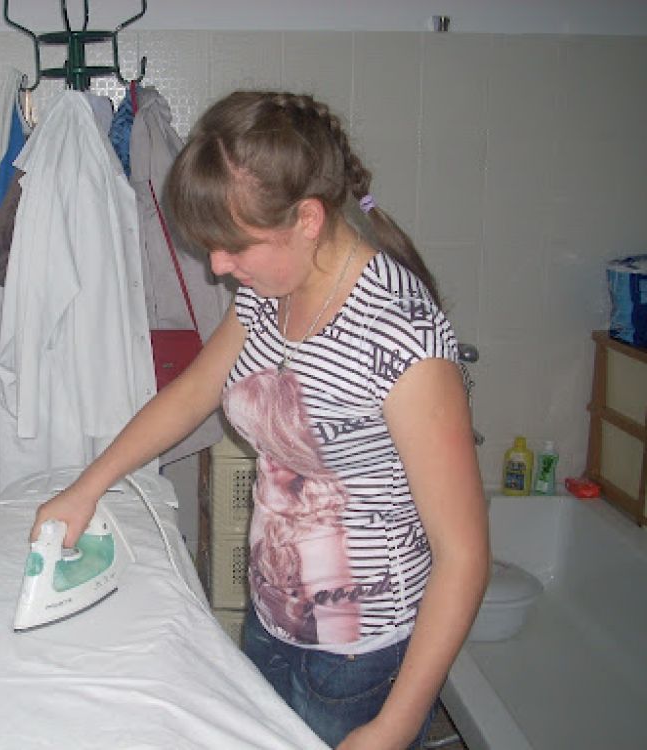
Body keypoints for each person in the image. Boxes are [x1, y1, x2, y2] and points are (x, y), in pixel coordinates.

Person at [30, 91, 490, 749]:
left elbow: (464, 556)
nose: (217, 265)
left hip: (363, 658)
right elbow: (193, 393)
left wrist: (392, 726)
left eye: (234, 245)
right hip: (272, 620)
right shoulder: (266, 296)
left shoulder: (402, 338)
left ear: (307, 219)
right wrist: (87, 486)